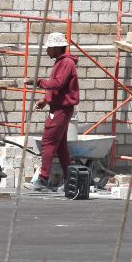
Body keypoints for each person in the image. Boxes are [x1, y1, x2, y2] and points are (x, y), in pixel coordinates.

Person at [24, 32, 80, 192]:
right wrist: (46, 100)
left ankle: (43, 180)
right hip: (60, 107)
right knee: (60, 146)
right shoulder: (62, 62)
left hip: (61, 109)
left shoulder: (66, 63)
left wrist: (37, 81)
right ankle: (70, 180)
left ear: (56, 48)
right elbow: (59, 89)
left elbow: (57, 84)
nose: (47, 51)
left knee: (48, 142)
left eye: (49, 48)